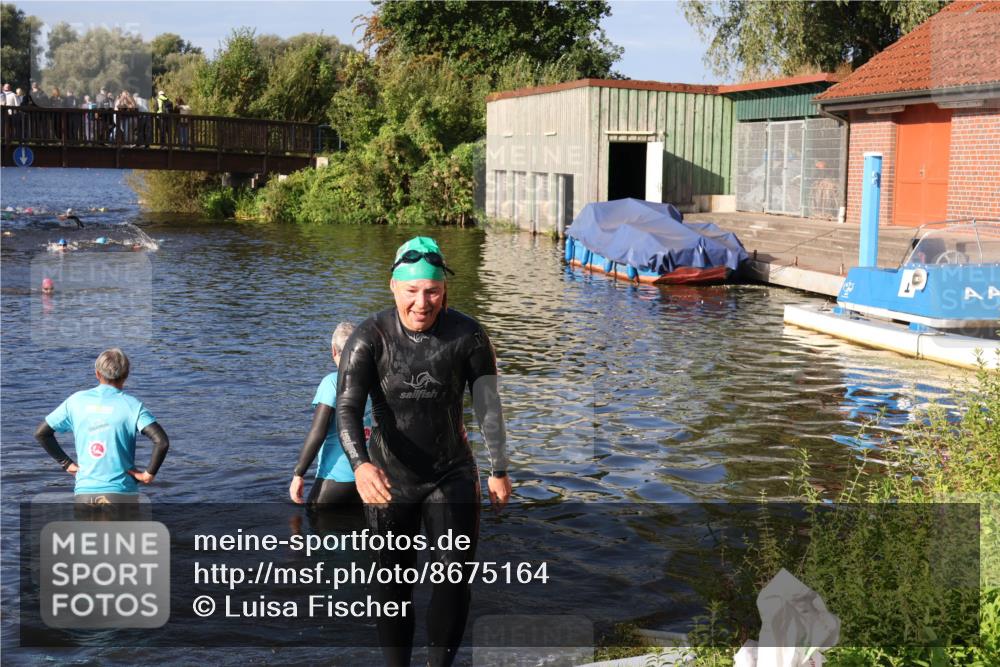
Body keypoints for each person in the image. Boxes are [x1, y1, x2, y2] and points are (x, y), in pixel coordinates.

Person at [337, 236, 511, 667]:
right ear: (393, 286)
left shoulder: (469, 335)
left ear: (444, 290)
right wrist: (360, 466)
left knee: (454, 580)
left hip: (451, 471)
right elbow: (346, 407)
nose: (421, 302)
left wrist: (499, 469)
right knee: (392, 587)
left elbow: (489, 404)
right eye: (412, 291)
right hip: (389, 477)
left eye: (431, 291)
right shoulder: (369, 337)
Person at [34, 348, 169, 504]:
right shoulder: (133, 406)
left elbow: (41, 433)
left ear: (97, 374)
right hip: (122, 493)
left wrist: (67, 463)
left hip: (85, 494)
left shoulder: (75, 401)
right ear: (126, 375)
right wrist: (147, 475)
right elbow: (162, 442)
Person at [290, 322, 373, 507]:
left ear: (333, 351)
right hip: (368, 480)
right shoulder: (374, 382)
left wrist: (299, 474)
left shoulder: (332, 382)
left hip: (335, 481)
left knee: (314, 527)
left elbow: (317, 433)